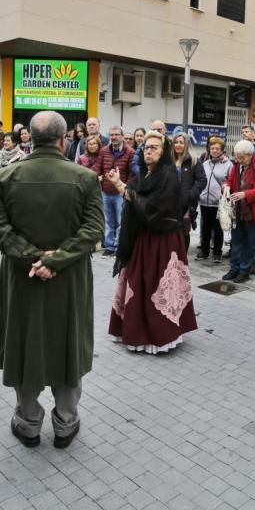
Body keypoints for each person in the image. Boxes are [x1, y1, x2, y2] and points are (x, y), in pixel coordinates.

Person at [0, 110, 104, 449]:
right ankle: (66, 421)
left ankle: (28, 421)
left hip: (23, 278)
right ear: (64, 139)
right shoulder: (84, 178)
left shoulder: (6, 177)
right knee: (69, 342)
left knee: (25, 344)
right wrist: (58, 259)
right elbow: (94, 229)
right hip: (69, 279)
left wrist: (32, 257)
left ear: (29, 138)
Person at [106, 131, 197, 353]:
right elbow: (136, 197)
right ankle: (137, 330)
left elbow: (153, 209)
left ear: (163, 151)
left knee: (156, 285)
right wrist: (120, 184)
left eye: (154, 147)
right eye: (146, 147)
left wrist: (121, 188)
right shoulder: (144, 175)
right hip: (144, 237)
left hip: (162, 240)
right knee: (139, 283)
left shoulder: (168, 176)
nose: (148, 151)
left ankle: (160, 335)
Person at [222, 140, 255, 284]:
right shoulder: (236, 166)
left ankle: (244, 271)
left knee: (251, 244)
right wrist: (225, 186)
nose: (238, 160)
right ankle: (234, 269)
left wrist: (246, 194)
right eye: (237, 157)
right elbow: (230, 181)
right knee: (236, 242)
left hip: (254, 211)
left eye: (241, 157)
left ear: (250, 155)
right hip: (238, 211)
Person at [92, 125, 135, 257]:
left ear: (122, 136)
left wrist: (125, 187)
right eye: (111, 135)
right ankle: (110, 245)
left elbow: (132, 174)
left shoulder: (130, 152)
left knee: (121, 221)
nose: (114, 137)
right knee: (108, 221)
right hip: (106, 191)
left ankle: (118, 246)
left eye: (116, 135)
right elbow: (97, 167)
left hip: (120, 193)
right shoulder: (104, 150)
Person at [193, 136, 233, 262]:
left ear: (222, 150)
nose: (215, 151)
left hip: (218, 202)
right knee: (205, 227)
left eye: (217, 148)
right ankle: (204, 252)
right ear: (209, 150)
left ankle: (217, 253)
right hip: (205, 201)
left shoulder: (228, 164)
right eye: (212, 148)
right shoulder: (204, 164)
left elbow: (231, 182)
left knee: (218, 229)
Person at [172, 132, 203, 250]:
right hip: (169, 202)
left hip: (185, 204)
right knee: (170, 232)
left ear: (187, 145)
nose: (178, 145)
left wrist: (190, 194)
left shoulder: (194, 160)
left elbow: (202, 180)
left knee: (183, 232)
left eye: (181, 142)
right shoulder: (169, 160)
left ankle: (182, 259)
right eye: (176, 142)